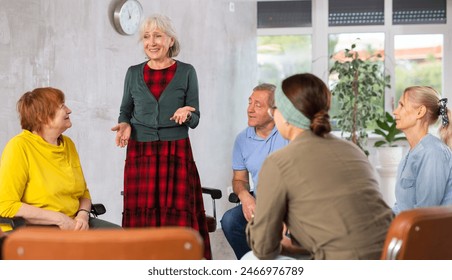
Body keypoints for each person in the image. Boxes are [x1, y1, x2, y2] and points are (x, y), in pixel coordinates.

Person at [244, 73, 394, 260]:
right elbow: (348, 232)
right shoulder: (353, 150)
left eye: (274, 109)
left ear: (286, 116)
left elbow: (263, 248)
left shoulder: (278, 162)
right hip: (391, 256)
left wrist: (258, 222)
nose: (272, 114)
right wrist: (292, 248)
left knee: (250, 259)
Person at [111, 14, 212, 259]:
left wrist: (187, 115)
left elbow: (195, 117)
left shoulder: (187, 71)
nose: (151, 42)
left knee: (176, 212)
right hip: (140, 152)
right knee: (141, 212)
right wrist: (124, 123)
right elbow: (125, 109)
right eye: (146, 37)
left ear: (170, 40)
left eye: (157, 36)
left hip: (175, 152)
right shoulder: (133, 73)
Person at [0, 87, 120, 232]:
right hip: (36, 227)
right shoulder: (19, 146)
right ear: (41, 116)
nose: (69, 110)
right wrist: (59, 219)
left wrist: (82, 215)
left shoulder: (68, 144)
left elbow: (83, 194)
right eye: (61, 106)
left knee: (120, 238)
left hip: (75, 222)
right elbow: (5, 205)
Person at [220, 83, 289, 259]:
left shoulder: (289, 133)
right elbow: (239, 179)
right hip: (261, 203)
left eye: (258, 105)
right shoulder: (242, 140)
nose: (250, 109)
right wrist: (245, 196)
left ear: (274, 110)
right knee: (230, 221)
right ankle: (253, 266)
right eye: (249, 102)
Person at [392, 86, 452, 215]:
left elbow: (425, 215)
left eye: (401, 105)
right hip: (407, 229)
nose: (395, 112)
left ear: (420, 112)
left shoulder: (433, 153)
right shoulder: (412, 153)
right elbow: (401, 207)